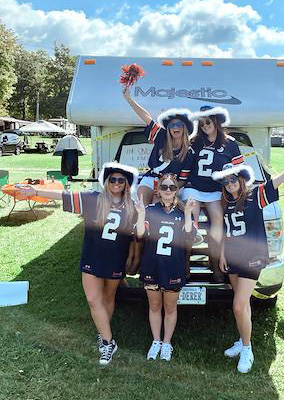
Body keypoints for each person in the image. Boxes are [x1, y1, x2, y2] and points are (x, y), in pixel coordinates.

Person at [15, 162, 139, 366]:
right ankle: (108, 342)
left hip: (116, 259)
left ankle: (102, 332)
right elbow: (64, 195)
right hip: (92, 256)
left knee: (108, 298)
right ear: (106, 182)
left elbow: (136, 235)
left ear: (127, 184)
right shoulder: (93, 199)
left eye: (121, 180)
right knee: (92, 299)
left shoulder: (132, 206)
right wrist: (35, 190)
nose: (116, 183)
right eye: (113, 179)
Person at [213, 150, 284, 373]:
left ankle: (247, 349)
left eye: (233, 179)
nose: (230, 183)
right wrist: (223, 253)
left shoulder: (256, 195)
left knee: (238, 305)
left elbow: (281, 178)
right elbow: (225, 231)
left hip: (252, 258)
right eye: (226, 181)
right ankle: (243, 340)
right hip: (233, 257)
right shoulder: (225, 202)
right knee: (241, 305)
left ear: (242, 179)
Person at [135, 173, 196, 361]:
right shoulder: (150, 209)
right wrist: (141, 214)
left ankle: (167, 342)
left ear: (177, 190)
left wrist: (187, 213)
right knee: (154, 305)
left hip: (173, 266)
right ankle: (156, 341)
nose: (168, 190)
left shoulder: (182, 212)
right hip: (152, 265)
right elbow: (139, 234)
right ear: (158, 191)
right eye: (164, 187)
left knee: (170, 307)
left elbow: (189, 236)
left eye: (172, 187)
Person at [185, 106, 244, 282]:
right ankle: (185, 264)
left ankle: (215, 263)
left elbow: (239, 170)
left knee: (218, 219)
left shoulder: (230, 143)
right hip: (194, 187)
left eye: (208, 122)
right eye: (201, 123)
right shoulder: (194, 141)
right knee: (191, 220)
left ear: (216, 122)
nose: (204, 126)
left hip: (215, 190)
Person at [123, 86, 194, 205]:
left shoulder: (189, 152)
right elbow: (147, 118)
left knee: (159, 207)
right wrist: (129, 99)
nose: (175, 127)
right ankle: (139, 223)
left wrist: (167, 189)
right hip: (152, 179)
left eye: (179, 124)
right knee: (141, 202)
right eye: (172, 125)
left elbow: (183, 180)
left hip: (172, 185)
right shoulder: (161, 136)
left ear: (185, 128)